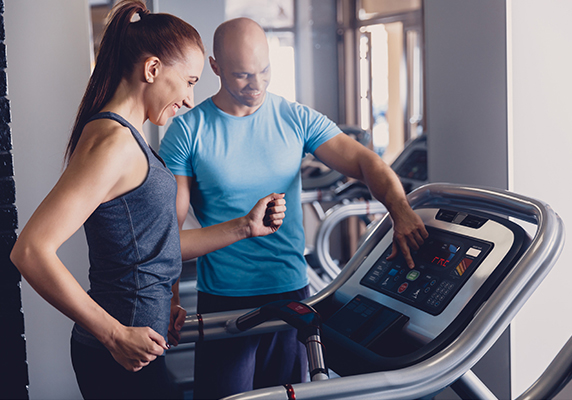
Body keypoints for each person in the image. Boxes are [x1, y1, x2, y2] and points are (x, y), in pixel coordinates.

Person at [9, 3, 286, 399]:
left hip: (138, 345)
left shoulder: (126, 137)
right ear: (152, 69)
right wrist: (114, 334)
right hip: (120, 355)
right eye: (189, 81)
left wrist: (245, 226)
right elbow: (31, 250)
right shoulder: (114, 143)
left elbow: (154, 246)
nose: (191, 99)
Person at [158, 17, 429, 399]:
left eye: (264, 71)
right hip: (224, 298)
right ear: (215, 67)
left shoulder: (295, 117)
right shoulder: (188, 130)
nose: (256, 86)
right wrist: (168, 297)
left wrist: (400, 210)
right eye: (241, 76)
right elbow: (169, 227)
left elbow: (367, 162)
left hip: (291, 293)